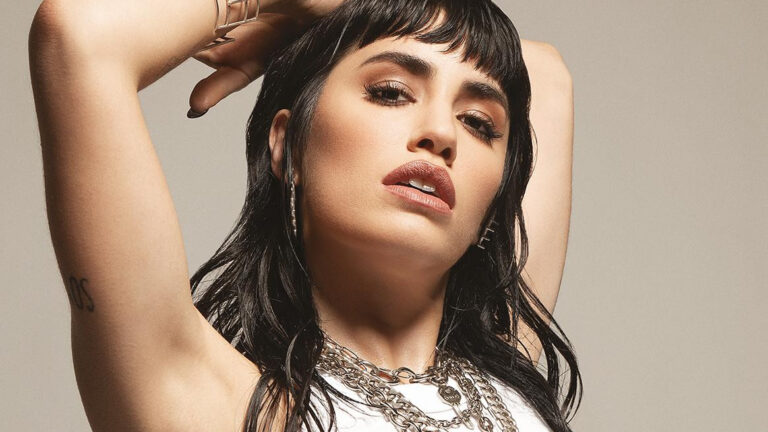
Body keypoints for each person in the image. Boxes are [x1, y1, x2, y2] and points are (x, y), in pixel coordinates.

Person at [29, 0, 581, 431]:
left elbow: (544, 72)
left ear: (496, 204)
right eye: (391, 92)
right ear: (288, 144)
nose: (440, 133)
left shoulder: (509, 360)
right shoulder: (221, 404)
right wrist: (295, 5)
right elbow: (79, 38)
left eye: (478, 122)